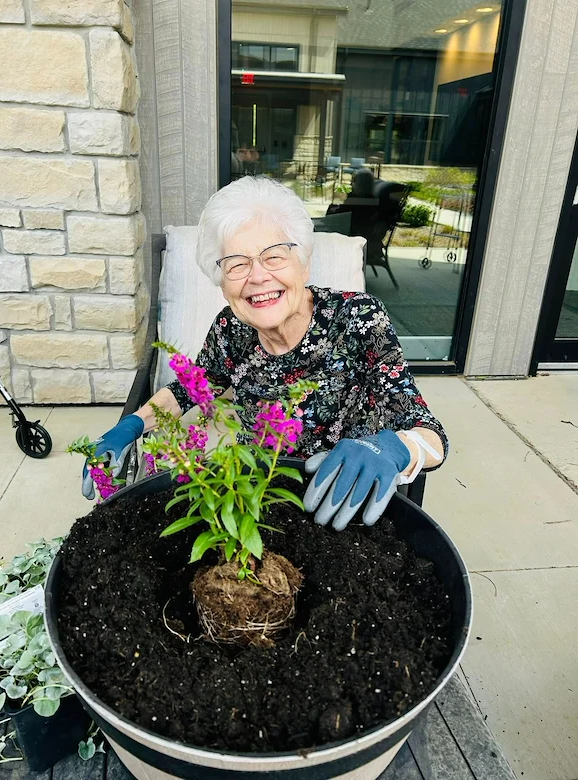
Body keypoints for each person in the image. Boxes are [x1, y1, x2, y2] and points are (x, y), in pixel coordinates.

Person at [82, 177, 447, 531]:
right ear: (222, 283)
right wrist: (132, 425)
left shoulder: (358, 319)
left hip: (346, 504)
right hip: (256, 502)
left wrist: (393, 448)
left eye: (273, 256)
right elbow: (189, 389)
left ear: (303, 264)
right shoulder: (231, 329)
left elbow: (431, 435)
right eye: (237, 264)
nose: (257, 277)